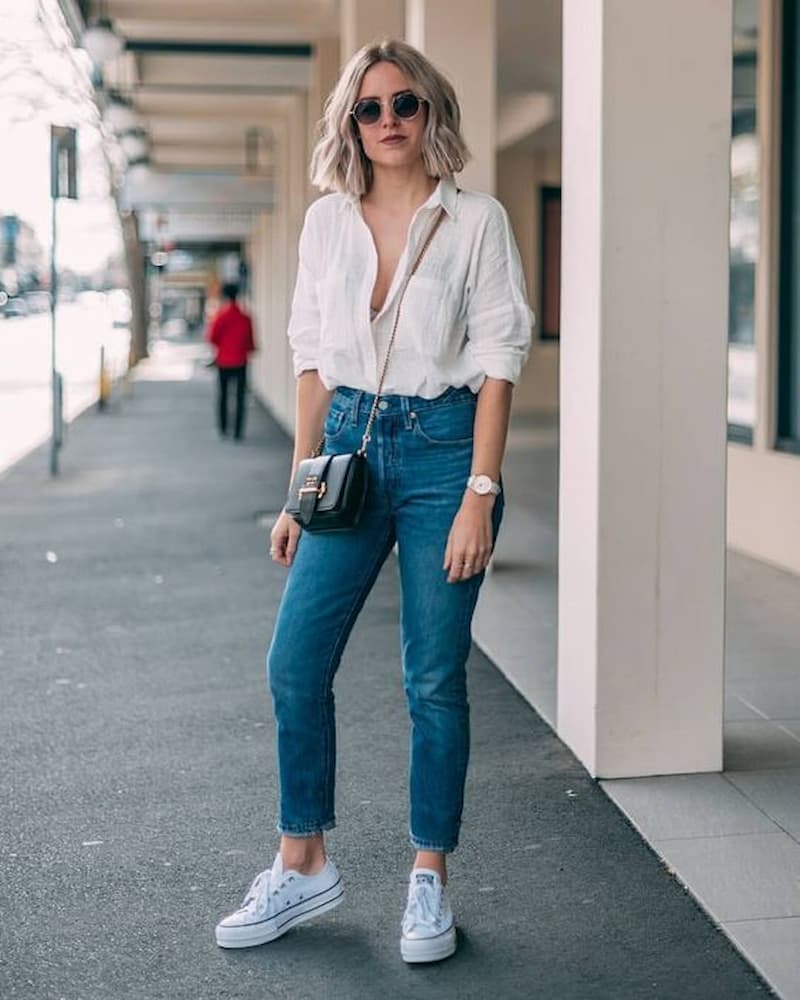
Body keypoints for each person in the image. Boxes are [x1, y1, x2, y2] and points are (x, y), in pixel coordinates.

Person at [214, 39, 532, 963]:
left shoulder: (475, 221)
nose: (388, 120)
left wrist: (481, 490)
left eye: (405, 104)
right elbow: (313, 363)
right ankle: (303, 860)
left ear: (432, 112)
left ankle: (428, 878)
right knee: (293, 662)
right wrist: (295, 494)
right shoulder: (323, 225)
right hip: (348, 448)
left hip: (443, 454)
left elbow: (500, 359)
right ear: (349, 123)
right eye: (369, 108)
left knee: (432, 678)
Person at [205, 283, 256, 440]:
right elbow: (250, 341)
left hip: (224, 361)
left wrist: (223, 347)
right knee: (240, 397)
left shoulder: (220, 316)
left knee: (223, 396)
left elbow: (212, 337)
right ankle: (238, 432)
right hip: (241, 361)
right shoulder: (245, 317)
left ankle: (223, 428)